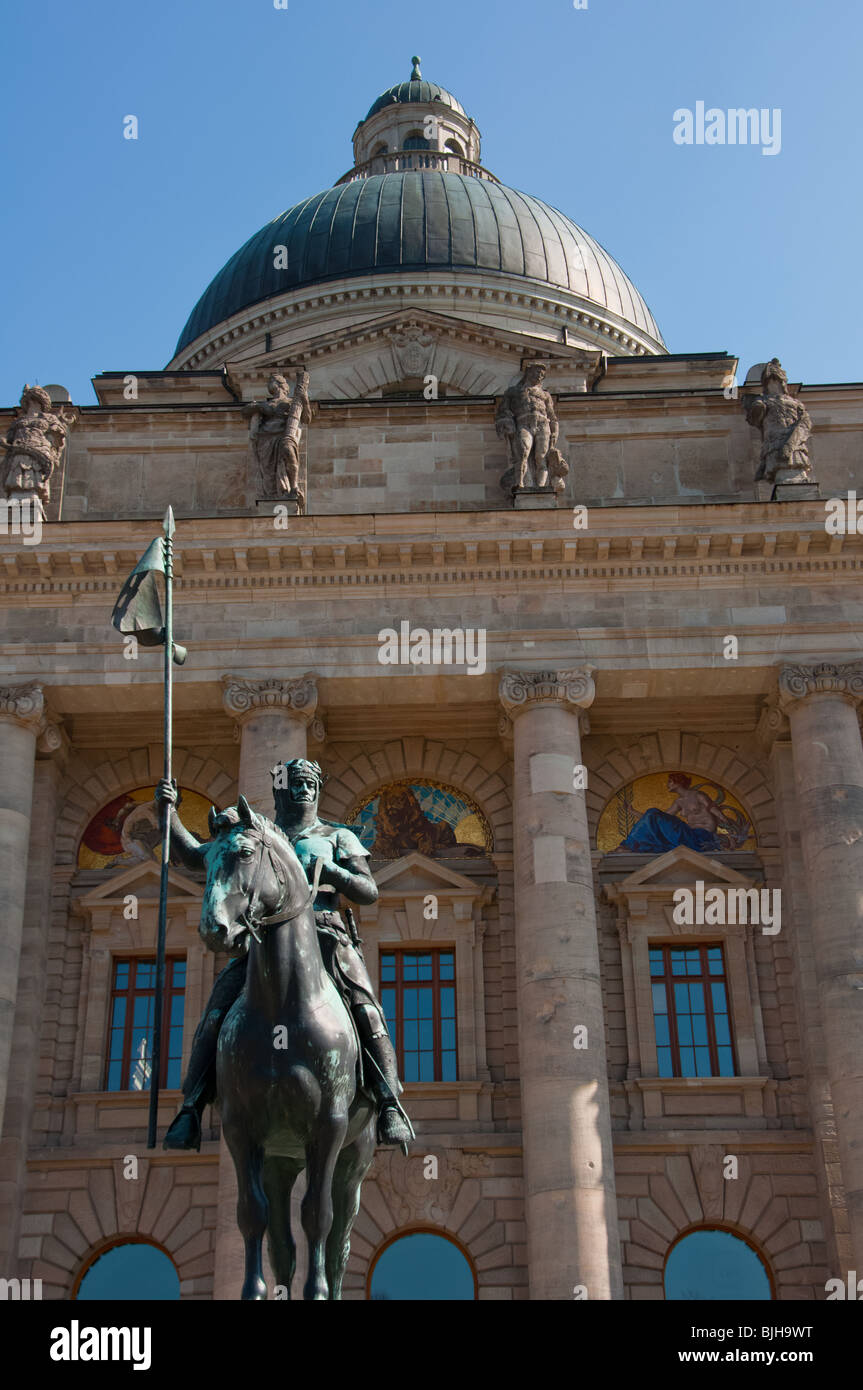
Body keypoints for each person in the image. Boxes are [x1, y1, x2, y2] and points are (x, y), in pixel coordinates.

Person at [155, 758, 413, 1154]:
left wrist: (333, 873)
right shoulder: (257, 836)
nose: (305, 790)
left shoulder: (335, 835)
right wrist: (168, 813)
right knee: (214, 1014)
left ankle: (389, 1099)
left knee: (366, 1007)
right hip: (262, 942)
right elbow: (194, 855)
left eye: (311, 783)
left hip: (327, 935)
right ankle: (191, 1105)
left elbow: (368, 890)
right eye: (296, 783)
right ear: (280, 790)